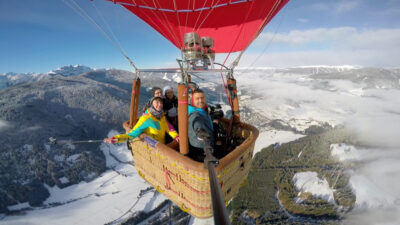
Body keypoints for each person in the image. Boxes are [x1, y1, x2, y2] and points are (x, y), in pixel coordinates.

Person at [105, 96, 179, 144]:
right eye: (157, 102)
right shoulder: (146, 118)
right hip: (154, 149)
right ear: (151, 105)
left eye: (161, 103)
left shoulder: (162, 116)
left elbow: (169, 129)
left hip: (163, 146)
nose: (159, 104)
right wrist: (115, 139)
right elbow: (132, 134)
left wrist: (176, 136)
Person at [187, 89, 214, 161]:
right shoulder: (194, 114)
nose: (200, 100)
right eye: (197, 99)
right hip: (201, 149)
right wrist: (200, 131)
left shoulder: (201, 110)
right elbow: (197, 122)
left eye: (202, 98)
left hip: (205, 144)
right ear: (192, 100)